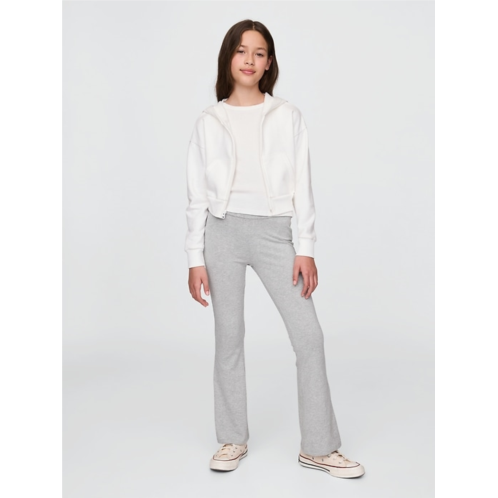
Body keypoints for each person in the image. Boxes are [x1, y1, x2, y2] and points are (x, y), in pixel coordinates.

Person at [184, 19, 365, 479]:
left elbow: (303, 185)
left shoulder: (287, 116)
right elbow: (196, 195)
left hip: (274, 234)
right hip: (221, 233)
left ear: (269, 63)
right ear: (228, 58)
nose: (250, 59)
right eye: (241, 50)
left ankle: (319, 447)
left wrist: (305, 247)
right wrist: (194, 257)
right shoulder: (209, 120)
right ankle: (232, 437)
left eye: (259, 52)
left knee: (309, 336)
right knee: (229, 337)